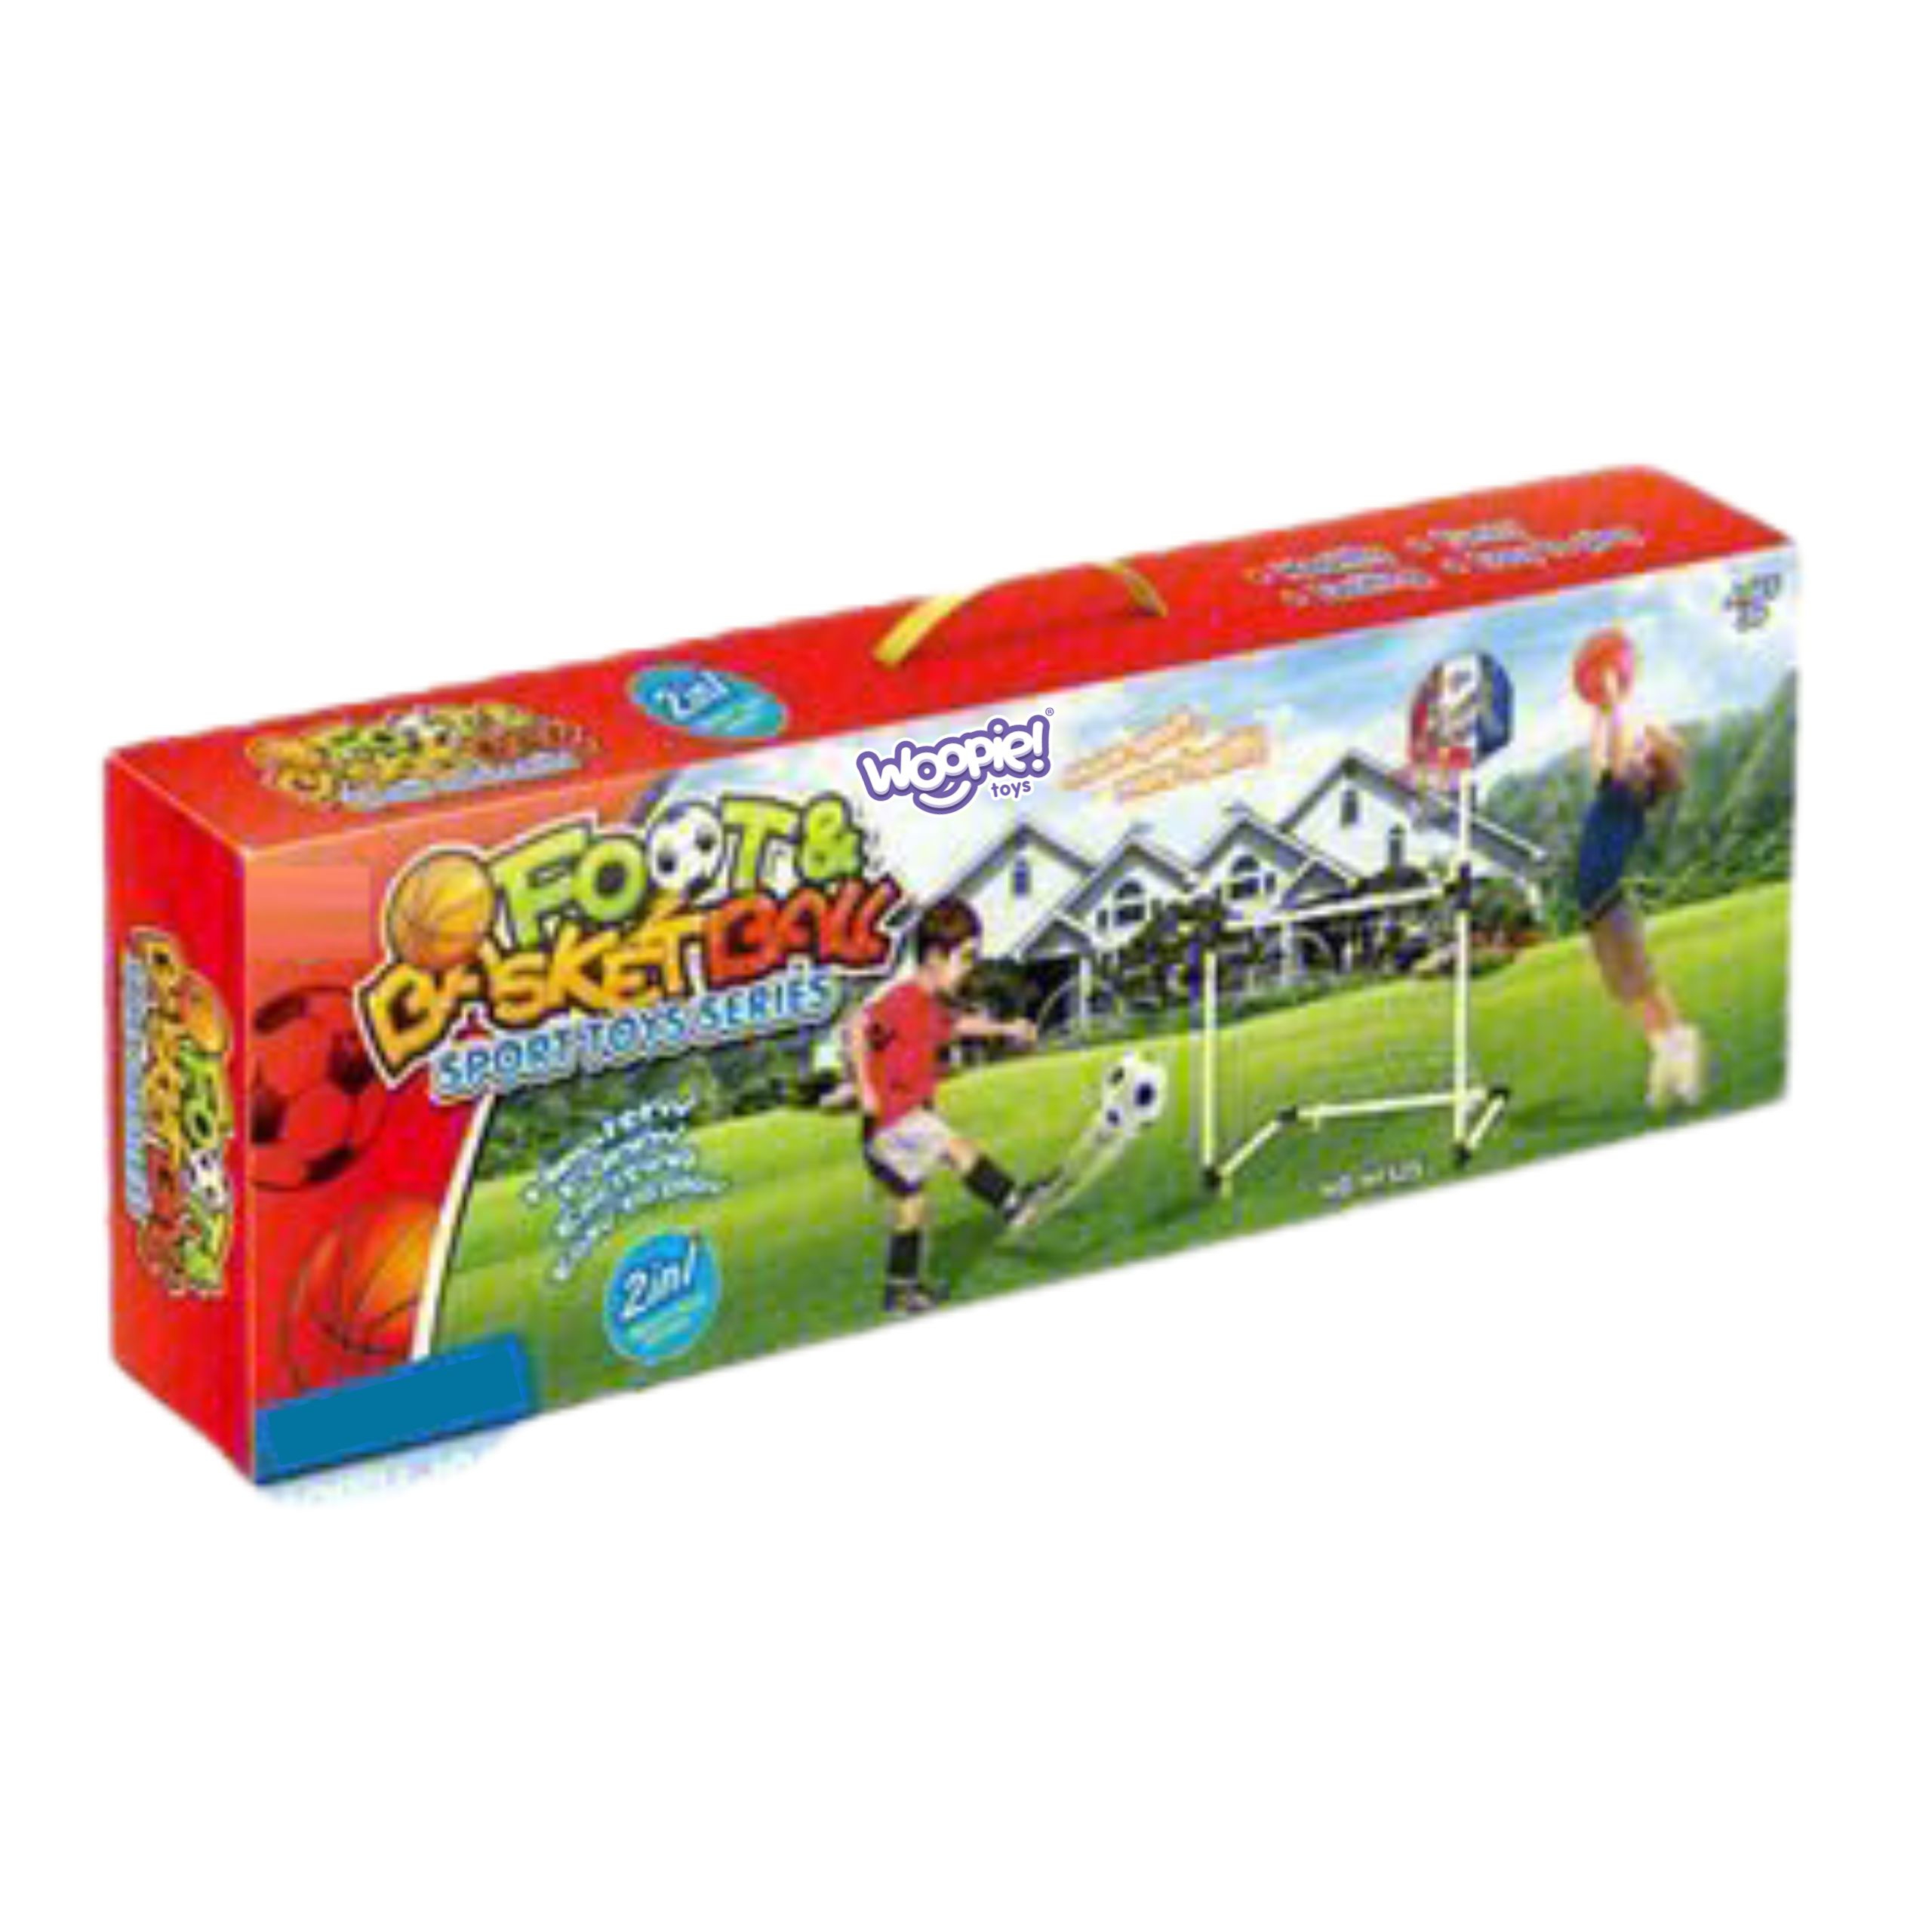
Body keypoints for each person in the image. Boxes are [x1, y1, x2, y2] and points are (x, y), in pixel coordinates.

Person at [845, 897, 1041, 1316]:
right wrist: (865, 1088)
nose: (971, 968)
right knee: (956, 1148)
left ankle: (900, 1290)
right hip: (892, 1118)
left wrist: (1006, 1029)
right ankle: (1012, 1202)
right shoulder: (903, 999)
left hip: (895, 1123)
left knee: (912, 1208)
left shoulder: (932, 1007)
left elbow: (958, 1026)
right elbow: (857, 1026)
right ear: (935, 957)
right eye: (965, 958)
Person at [1577, 664, 1703, 1107]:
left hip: (1611, 906)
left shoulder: (1633, 792)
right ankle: (1664, 1051)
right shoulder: (1617, 789)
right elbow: (1600, 758)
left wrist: (1614, 704)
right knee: (1626, 990)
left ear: (1652, 767)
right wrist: (1599, 713)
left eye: (1645, 744)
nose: (1636, 745)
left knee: (1642, 984)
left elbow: (1613, 754)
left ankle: (1683, 1047)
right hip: (1596, 910)